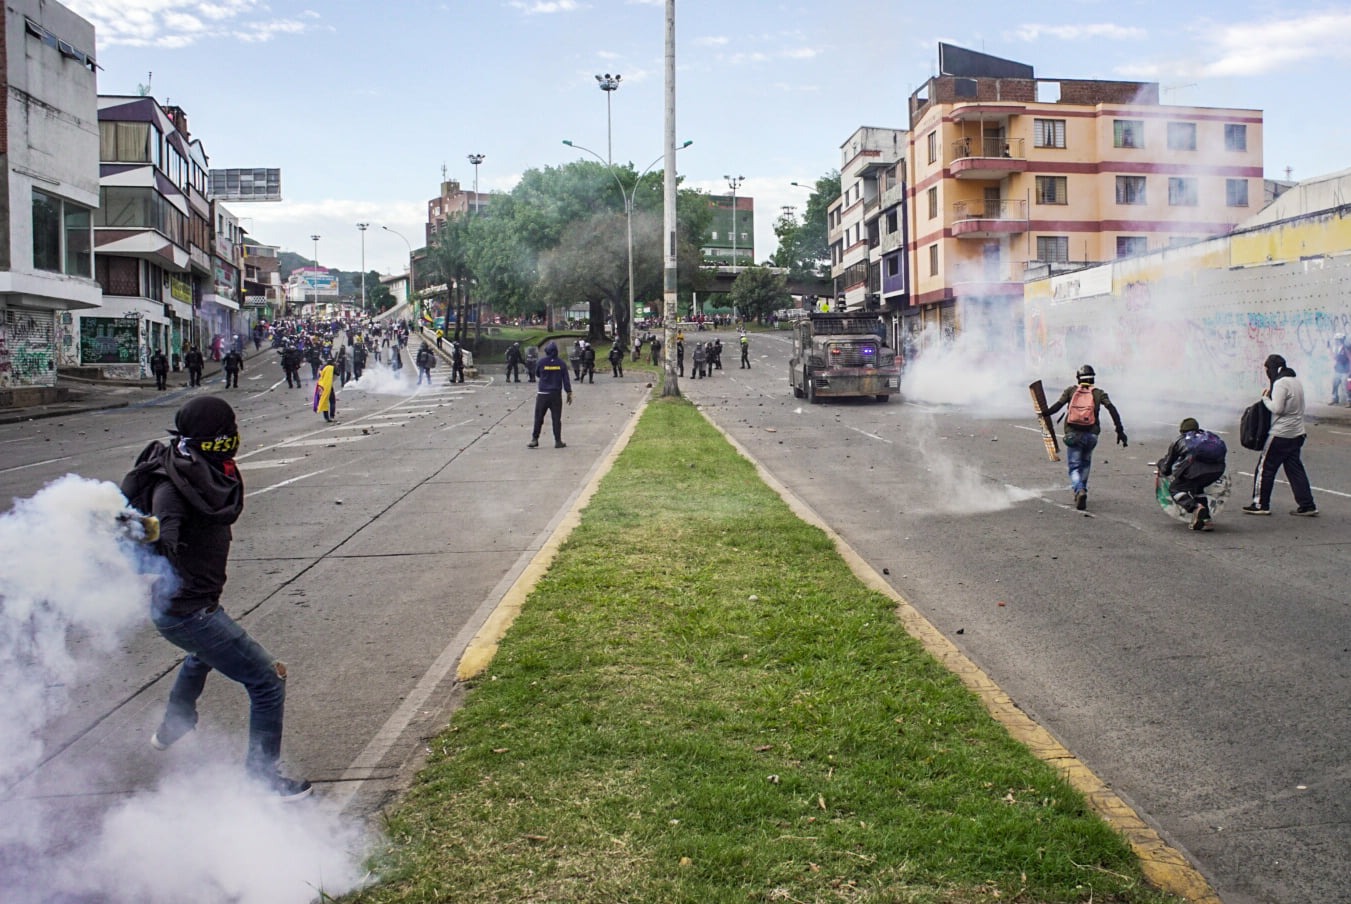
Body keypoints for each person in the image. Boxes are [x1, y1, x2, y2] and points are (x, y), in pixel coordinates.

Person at [123, 396, 311, 800]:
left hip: (192, 606)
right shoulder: (173, 485)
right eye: (228, 428)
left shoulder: (201, 470)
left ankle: (176, 720)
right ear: (213, 437)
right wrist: (150, 534)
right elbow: (159, 535)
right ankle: (262, 781)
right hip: (187, 611)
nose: (235, 435)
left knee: (203, 654)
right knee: (267, 681)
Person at [1043, 364, 1127, 510]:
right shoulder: (1099, 393)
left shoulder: (1071, 391)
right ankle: (1083, 489)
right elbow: (1112, 409)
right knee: (1085, 463)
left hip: (1072, 434)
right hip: (1091, 435)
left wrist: (1044, 413)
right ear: (1093, 378)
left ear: (1078, 378)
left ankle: (1079, 489)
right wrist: (1120, 431)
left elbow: (1057, 406)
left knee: (1074, 467)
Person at [1244, 353, 1317, 516]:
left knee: (1265, 468)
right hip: (1297, 433)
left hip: (1280, 434)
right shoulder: (1295, 381)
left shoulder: (1281, 384)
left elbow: (1277, 408)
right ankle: (1307, 505)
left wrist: (1265, 399)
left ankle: (1260, 504)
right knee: (1295, 469)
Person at [1157, 417, 1227, 531]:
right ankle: (1206, 520)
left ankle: (1195, 507)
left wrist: (1160, 464)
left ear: (1182, 430)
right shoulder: (1208, 437)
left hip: (1195, 471)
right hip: (1217, 471)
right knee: (1198, 489)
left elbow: (1166, 468)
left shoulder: (1180, 440)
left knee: (1176, 489)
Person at [529, 341, 572, 449]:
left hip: (542, 394)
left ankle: (535, 439)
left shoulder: (541, 362)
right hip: (555, 395)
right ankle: (558, 441)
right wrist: (569, 392)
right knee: (556, 419)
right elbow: (566, 379)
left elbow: (537, 374)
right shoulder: (561, 363)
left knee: (539, 417)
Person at [1332, 334, 1350, 406]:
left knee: (1347, 386)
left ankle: (1349, 401)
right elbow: (1335, 358)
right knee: (1334, 384)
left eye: (1337, 339)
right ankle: (1335, 399)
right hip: (1338, 370)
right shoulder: (1335, 348)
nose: (1336, 341)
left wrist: (1350, 371)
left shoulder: (1346, 348)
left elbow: (1350, 358)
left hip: (1346, 371)